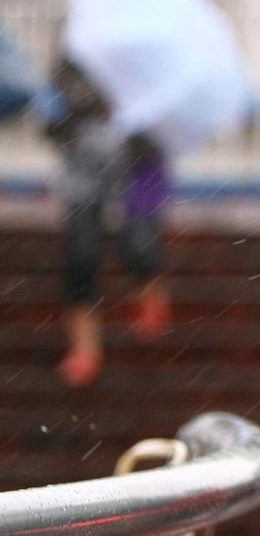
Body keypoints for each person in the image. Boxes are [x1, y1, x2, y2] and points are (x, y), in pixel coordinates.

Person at [44, 58, 171, 387]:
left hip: (134, 167)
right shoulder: (75, 58)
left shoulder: (150, 68)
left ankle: (148, 295)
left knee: (139, 245)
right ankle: (85, 348)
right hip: (86, 170)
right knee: (81, 257)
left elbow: (156, 128)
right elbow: (54, 117)